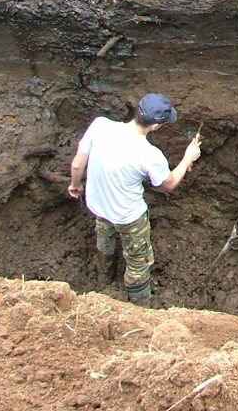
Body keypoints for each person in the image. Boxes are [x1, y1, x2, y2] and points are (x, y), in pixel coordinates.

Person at [67, 93, 201, 305]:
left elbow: (77, 164)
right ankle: (140, 306)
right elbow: (169, 184)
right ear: (156, 125)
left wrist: (75, 185)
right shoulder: (150, 154)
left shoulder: (100, 125)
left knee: (105, 243)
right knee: (138, 262)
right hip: (130, 218)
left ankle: (103, 279)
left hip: (99, 208)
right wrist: (188, 157)